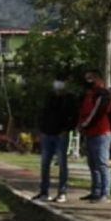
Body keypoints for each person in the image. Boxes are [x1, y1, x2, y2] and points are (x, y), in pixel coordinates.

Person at [34, 72, 77, 202]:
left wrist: (67, 129)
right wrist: (41, 129)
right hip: (47, 133)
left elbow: (73, 117)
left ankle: (62, 192)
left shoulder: (70, 98)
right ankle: (44, 192)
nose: (58, 84)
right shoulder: (49, 97)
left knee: (62, 163)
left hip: (61, 134)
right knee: (45, 164)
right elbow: (43, 113)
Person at [78, 70, 111, 203]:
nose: (89, 81)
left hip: (101, 132)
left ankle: (105, 193)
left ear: (98, 78)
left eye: (91, 78)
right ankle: (96, 191)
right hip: (90, 133)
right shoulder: (89, 93)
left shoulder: (103, 94)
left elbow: (97, 113)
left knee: (102, 163)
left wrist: (85, 124)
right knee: (92, 164)